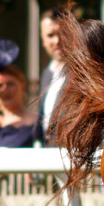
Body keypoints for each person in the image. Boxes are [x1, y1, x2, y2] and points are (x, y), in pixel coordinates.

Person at [35, 9, 67, 146]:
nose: (57, 41)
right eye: (50, 35)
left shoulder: (84, 73)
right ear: (43, 39)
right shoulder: (47, 73)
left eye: (63, 34)